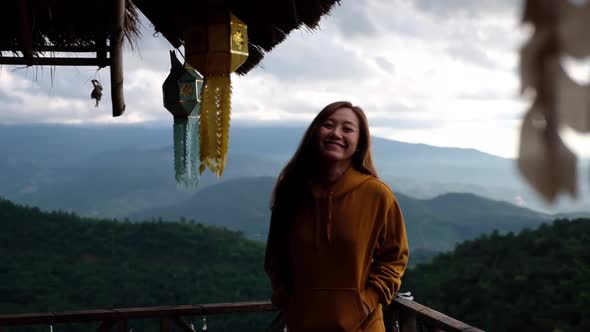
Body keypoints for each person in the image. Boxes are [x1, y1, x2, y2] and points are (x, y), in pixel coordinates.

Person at [264, 101, 409, 332]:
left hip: (364, 326)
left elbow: (395, 258)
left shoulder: (377, 194)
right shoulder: (291, 191)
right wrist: (288, 300)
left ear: (359, 142)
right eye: (328, 125)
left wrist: (366, 301)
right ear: (315, 132)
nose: (336, 134)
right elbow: (275, 256)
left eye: (347, 129)